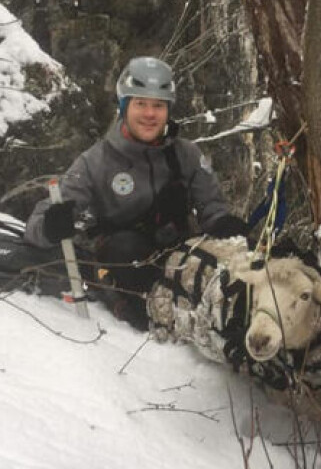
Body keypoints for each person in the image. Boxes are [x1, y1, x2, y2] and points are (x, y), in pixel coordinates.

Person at [25, 56, 247, 329]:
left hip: (178, 258)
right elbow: (36, 225)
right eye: (140, 103)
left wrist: (226, 227)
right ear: (123, 106)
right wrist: (50, 226)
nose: (150, 114)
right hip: (122, 267)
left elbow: (213, 209)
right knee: (126, 248)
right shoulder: (95, 162)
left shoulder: (185, 154)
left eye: (158, 105)